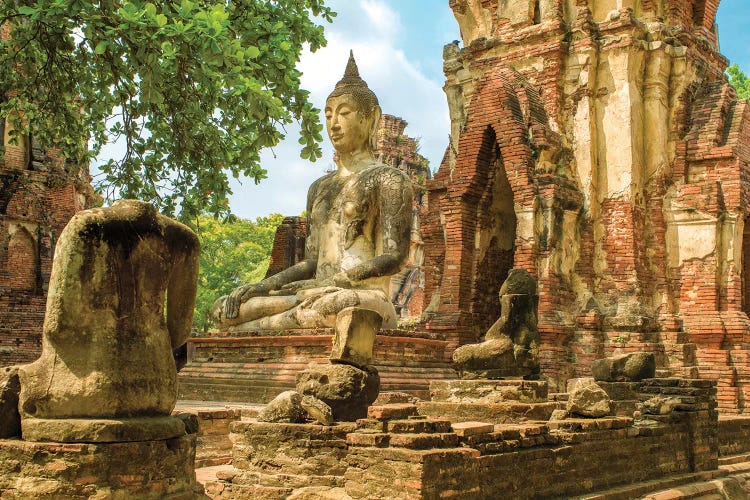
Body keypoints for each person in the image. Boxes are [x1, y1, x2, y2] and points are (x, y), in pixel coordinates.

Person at [213, 51, 413, 331]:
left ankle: (251, 330)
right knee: (224, 308)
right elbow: (311, 261)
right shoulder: (320, 188)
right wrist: (264, 284)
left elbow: (395, 257)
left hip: (362, 296)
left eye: (344, 113)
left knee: (329, 308)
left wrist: (340, 280)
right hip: (313, 292)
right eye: (328, 114)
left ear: (372, 118)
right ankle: (258, 324)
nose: (334, 124)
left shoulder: (389, 179)